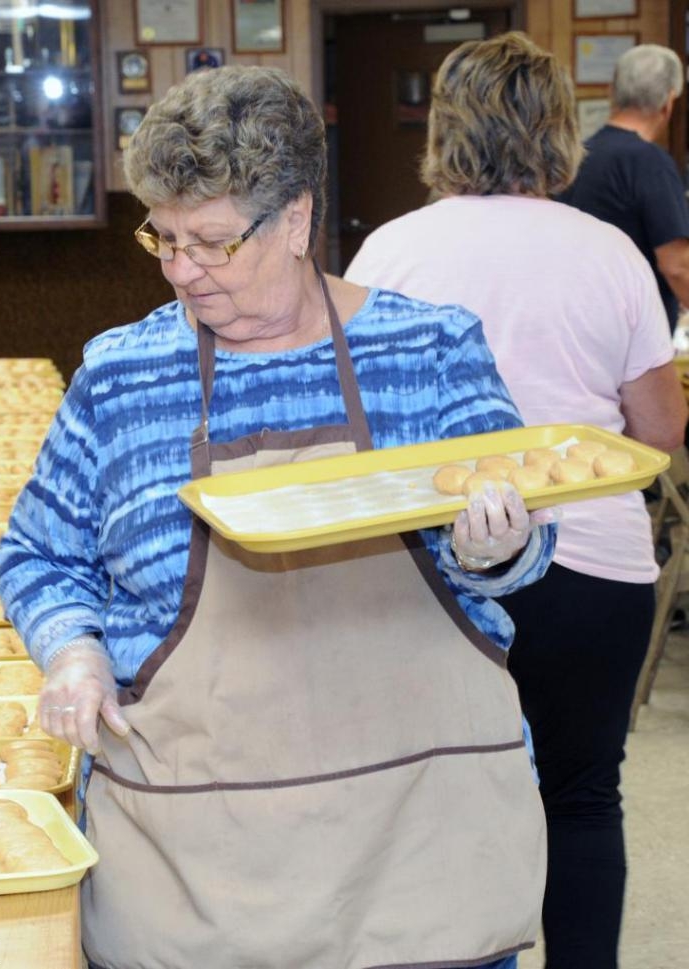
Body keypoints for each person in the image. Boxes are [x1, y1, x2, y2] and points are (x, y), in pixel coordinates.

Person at [0, 64, 556, 969]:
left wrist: (500, 544)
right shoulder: (122, 375)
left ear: (296, 219)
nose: (183, 271)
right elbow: (39, 552)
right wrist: (74, 650)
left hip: (421, 844)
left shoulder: (429, 348)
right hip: (195, 863)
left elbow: (529, 546)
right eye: (164, 239)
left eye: (213, 242)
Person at [345, 32, 687, 969]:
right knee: (582, 795)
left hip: (431, 564)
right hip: (593, 562)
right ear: (558, 132)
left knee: (438, 793)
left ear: (444, 129)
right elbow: (659, 431)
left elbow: (359, 424)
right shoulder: (611, 252)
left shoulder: (390, 250)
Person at [557, 43, 689, 333]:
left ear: (611, 92)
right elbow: (676, 265)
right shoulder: (650, 162)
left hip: (578, 324)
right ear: (668, 103)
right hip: (634, 335)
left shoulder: (577, 157)